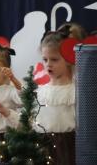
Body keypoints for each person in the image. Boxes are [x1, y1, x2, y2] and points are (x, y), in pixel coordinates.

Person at [36, 31, 75, 165]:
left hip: (68, 147)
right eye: (45, 60)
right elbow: (31, 120)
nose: (48, 64)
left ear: (68, 60)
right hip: (43, 146)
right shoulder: (41, 92)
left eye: (54, 59)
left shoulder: (74, 91)